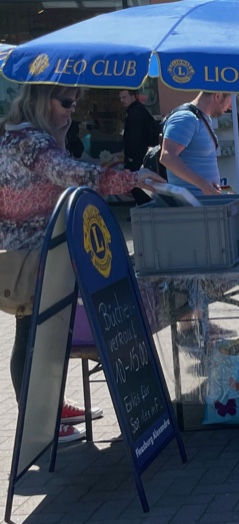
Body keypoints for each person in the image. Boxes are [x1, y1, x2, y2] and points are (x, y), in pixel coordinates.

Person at [0, 84, 161, 443]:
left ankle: (47, 408)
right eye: (66, 103)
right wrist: (132, 179)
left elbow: (62, 173)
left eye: (75, 103)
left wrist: (60, 135)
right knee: (32, 336)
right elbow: (71, 175)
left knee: (37, 332)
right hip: (33, 255)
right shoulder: (32, 142)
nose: (73, 110)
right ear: (42, 101)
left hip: (28, 251)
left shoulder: (19, 138)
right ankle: (39, 424)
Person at [159, 91, 232, 195]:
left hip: (203, 203)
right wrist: (202, 184)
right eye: (230, 100)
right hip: (191, 205)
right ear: (217, 95)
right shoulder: (186, 118)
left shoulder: (202, 118)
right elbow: (167, 157)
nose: (231, 107)